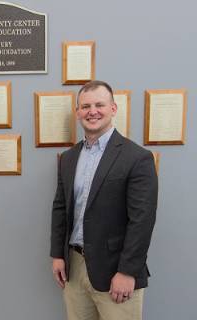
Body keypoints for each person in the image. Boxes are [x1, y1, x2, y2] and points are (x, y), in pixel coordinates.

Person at [50, 80, 158, 320]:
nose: (92, 111)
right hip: (75, 268)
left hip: (116, 271)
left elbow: (142, 220)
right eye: (85, 106)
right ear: (78, 112)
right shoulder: (68, 158)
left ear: (113, 109)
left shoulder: (137, 158)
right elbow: (60, 208)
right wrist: (58, 254)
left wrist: (127, 271)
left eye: (99, 104)